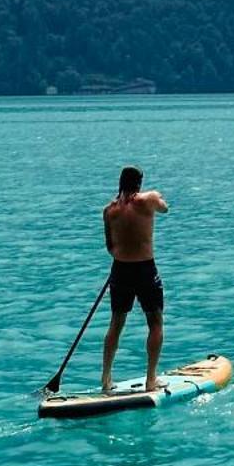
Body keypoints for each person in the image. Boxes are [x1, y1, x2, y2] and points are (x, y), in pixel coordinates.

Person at [101, 165, 169, 392]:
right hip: (145, 270)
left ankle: (106, 380)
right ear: (139, 183)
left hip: (120, 270)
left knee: (116, 323)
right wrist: (155, 196)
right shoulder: (147, 200)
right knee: (156, 322)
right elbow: (164, 208)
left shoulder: (109, 211)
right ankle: (151, 380)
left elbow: (110, 247)